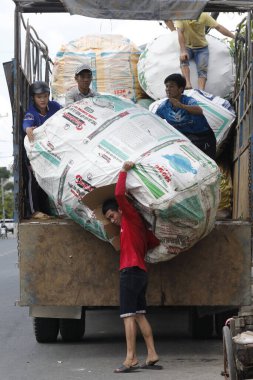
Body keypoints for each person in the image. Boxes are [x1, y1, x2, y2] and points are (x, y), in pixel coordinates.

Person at [102, 161, 162, 374]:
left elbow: (119, 194)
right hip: (141, 273)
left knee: (128, 315)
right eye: (109, 219)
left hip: (130, 272)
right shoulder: (139, 227)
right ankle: (152, 354)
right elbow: (154, 241)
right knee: (139, 314)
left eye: (113, 215)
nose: (113, 220)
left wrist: (123, 171)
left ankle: (131, 358)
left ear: (120, 210)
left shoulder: (129, 217)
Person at [165, 13, 236, 90]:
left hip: (201, 48)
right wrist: (183, 51)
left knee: (202, 69)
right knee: (183, 59)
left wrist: (234, 37)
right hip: (187, 46)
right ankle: (187, 84)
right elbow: (180, 33)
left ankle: (201, 91)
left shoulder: (204, 16)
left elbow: (218, 27)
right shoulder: (181, 17)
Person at [23, 81, 61, 219]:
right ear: (33, 98)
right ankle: (33, 211)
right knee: (32, 181)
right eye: (39, 97)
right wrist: (28, 129)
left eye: (45, 96)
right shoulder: (31, 113)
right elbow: (26, 124)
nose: (43, 99)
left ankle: (50, 210)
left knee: (49, 181)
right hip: (33, 156)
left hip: (50, 154)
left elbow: (65, 115)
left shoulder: (55, 106)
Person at [156, 73, 216, 159]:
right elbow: (155, 119)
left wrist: (181, 106)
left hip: (203, 138)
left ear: (180, 89)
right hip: (185, 140)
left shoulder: (188, 101)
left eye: (171, 86)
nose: (168, 89)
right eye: (166, 86)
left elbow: (199, 110)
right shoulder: (163, 107)